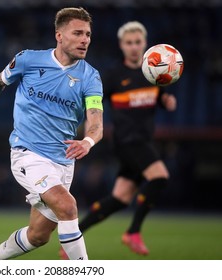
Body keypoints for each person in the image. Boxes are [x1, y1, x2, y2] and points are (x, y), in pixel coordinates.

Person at [0, 7, 104, 260]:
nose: (85, 40)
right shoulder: (28, 59)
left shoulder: (91, 77)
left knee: (38, 235)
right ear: (59, 35)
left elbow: (96, 122)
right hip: (29, 154)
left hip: (63, 161)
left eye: (88, 35)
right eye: (78, 33)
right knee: (68, 206)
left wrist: (88, 141)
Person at [60, 21, 177, 258]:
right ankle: (133, 232)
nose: (134, 47)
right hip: (127, 141)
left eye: (138, 42)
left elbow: (161, 97)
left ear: (145, 45)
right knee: (160, 176)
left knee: (121, 198)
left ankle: (74, 236)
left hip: (143, 140)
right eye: (129, 43)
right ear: (122, 46)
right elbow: (92, 104)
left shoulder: (154, 74)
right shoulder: (113, 76)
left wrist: (166, 101)